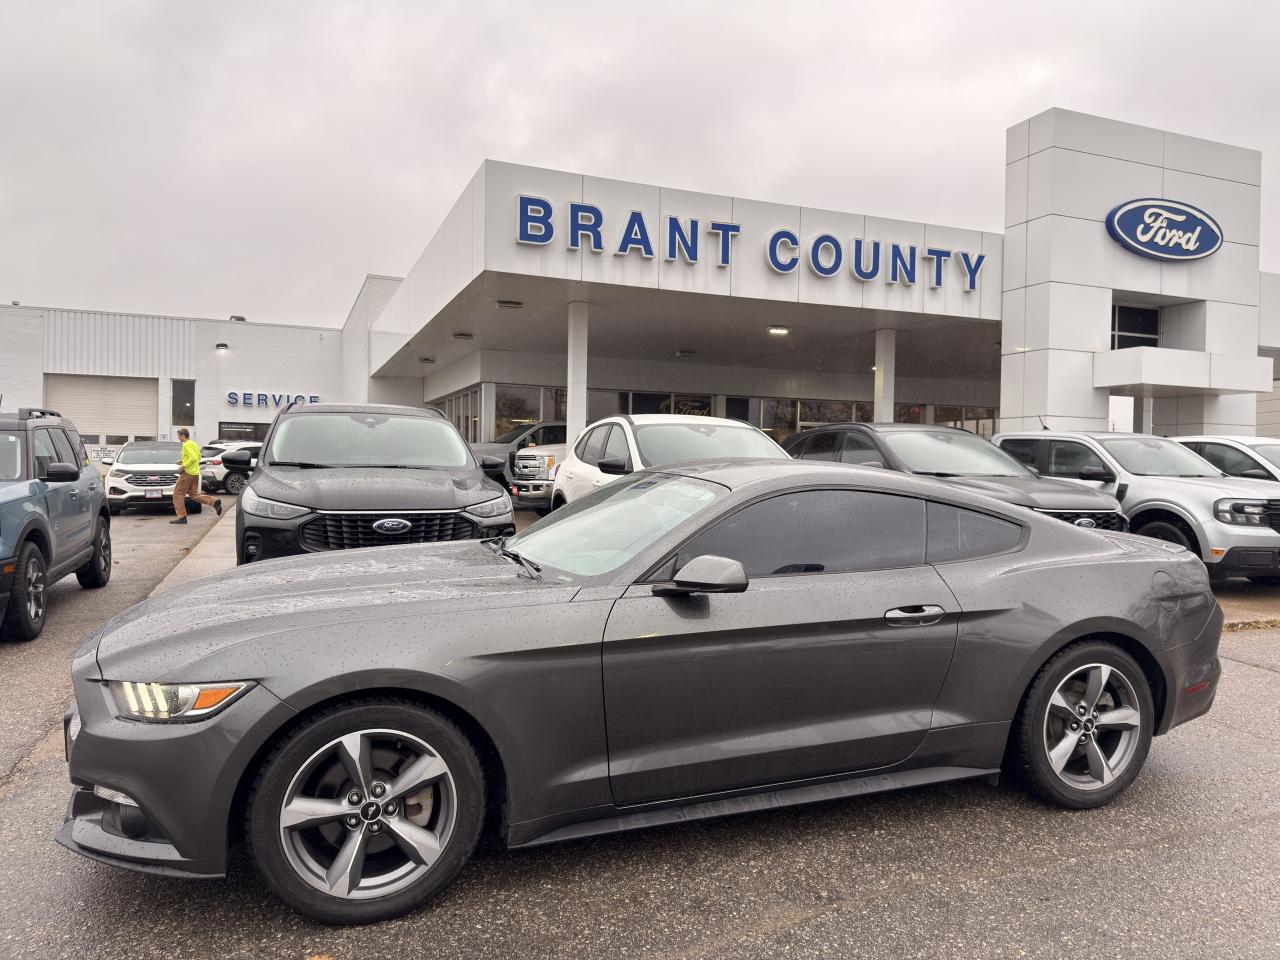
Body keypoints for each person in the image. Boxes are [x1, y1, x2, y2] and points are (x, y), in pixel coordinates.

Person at [170, 428, 221, 524]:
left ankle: (182, 517)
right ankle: (214, 502)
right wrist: (182, 461)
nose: (178, 438)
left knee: (178, 495)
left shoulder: (186, 445)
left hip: (187, 473)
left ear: (183, 435)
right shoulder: (194, 443)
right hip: (195, 473)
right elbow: (198, 457)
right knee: (194, 495)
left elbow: (193, 457)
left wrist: (183, 465)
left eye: (179, 436)